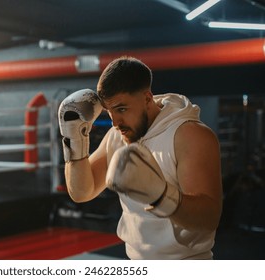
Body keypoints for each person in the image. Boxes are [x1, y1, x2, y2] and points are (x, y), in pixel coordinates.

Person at [58, 56, 223, 260]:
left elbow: (209, 218)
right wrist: (74, 139)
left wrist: (161, 195)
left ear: (147, 98)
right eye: (110, 112)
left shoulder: (189, 135)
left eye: (122, 109)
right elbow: (82, 192)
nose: (116, 122)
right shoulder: (116, 137)